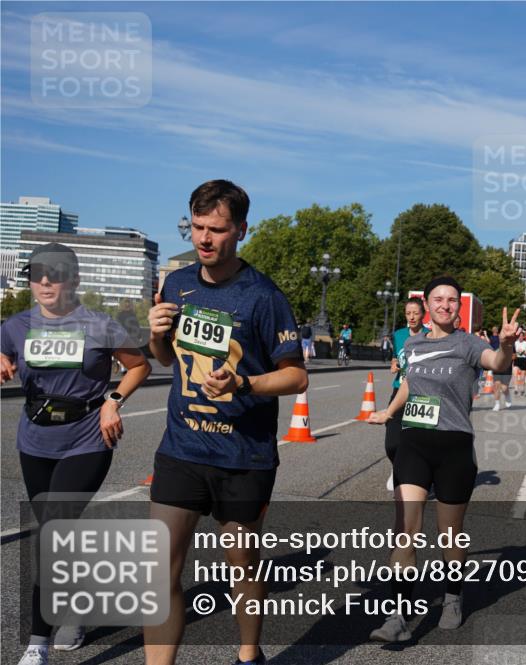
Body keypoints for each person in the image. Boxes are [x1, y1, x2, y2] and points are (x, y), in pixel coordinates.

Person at [143, 180, 307, 665]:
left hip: (243, 455)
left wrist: (245, 384)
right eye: (197, 227)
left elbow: (296, 376)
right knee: (159, 572)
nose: (204, 238)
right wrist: (154, 335)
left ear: (241, 230)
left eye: (216, 229)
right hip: (182, 449)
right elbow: (165, 359)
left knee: (242, 565)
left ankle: (248, 653)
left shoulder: (264, 296)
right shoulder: (177, 284)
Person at [1, 243, 151, 665]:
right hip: (35, 441)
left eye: (57, 273)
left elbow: (139, 366)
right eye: (38, 274)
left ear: (75, 279)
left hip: (87, 438)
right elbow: (4, 353)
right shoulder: (15, 326)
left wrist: (113, 401)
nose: (46, 281)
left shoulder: (100, 325)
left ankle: (37, 645)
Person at [366, 276, 519, 641]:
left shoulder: (468, 344)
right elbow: (409, 382)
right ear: (427, 304)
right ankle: (397, 616)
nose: (445, 305)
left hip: (454, 447)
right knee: (405, 530)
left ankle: (452, 595)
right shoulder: (413, 343)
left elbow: (496, 362)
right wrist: (389, 412)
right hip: (414, 444)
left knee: (450, 534)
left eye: (452, 300)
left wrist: (506, 345)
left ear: (457, 307)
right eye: (438, 299)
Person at [385, 297, 428, 489]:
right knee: (391, 442)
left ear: (423, 314)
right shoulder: (399, 334)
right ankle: (396, 466)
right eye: (408, 313)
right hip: (399, 389)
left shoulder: (430, 335)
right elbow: (396, 357)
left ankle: (416, 478)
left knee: (417, 441)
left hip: (422, 393)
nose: (411, 317)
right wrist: (394, 364)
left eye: (415, 313)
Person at [512, 331, 526, 396]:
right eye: (519, 336)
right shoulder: (515, 343)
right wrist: (513, 355)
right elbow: (512, 352)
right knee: (515, 374)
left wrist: (523, 352)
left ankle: (522, 389)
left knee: (522, 377)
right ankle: (516, 389)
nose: (520, 337)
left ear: (524, 337)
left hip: (523, 360)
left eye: (522, 336)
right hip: (517, 359)